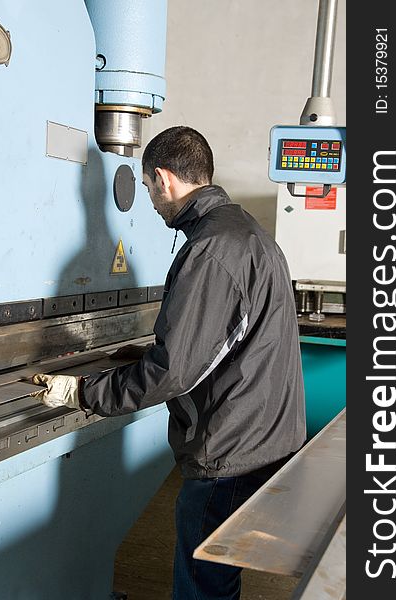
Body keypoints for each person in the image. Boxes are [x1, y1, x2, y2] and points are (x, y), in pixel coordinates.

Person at [32, 126, 306, 600]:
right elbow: (223, 344)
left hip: (229, 452)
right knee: (221, 575)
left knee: (203, 585)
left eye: (146, 189)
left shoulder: (209, 249)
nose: (152, 203)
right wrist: (136, 355)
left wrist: (81, 392)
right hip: (266, 439)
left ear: (163, 179)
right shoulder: (249, 233)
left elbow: (174, 372)